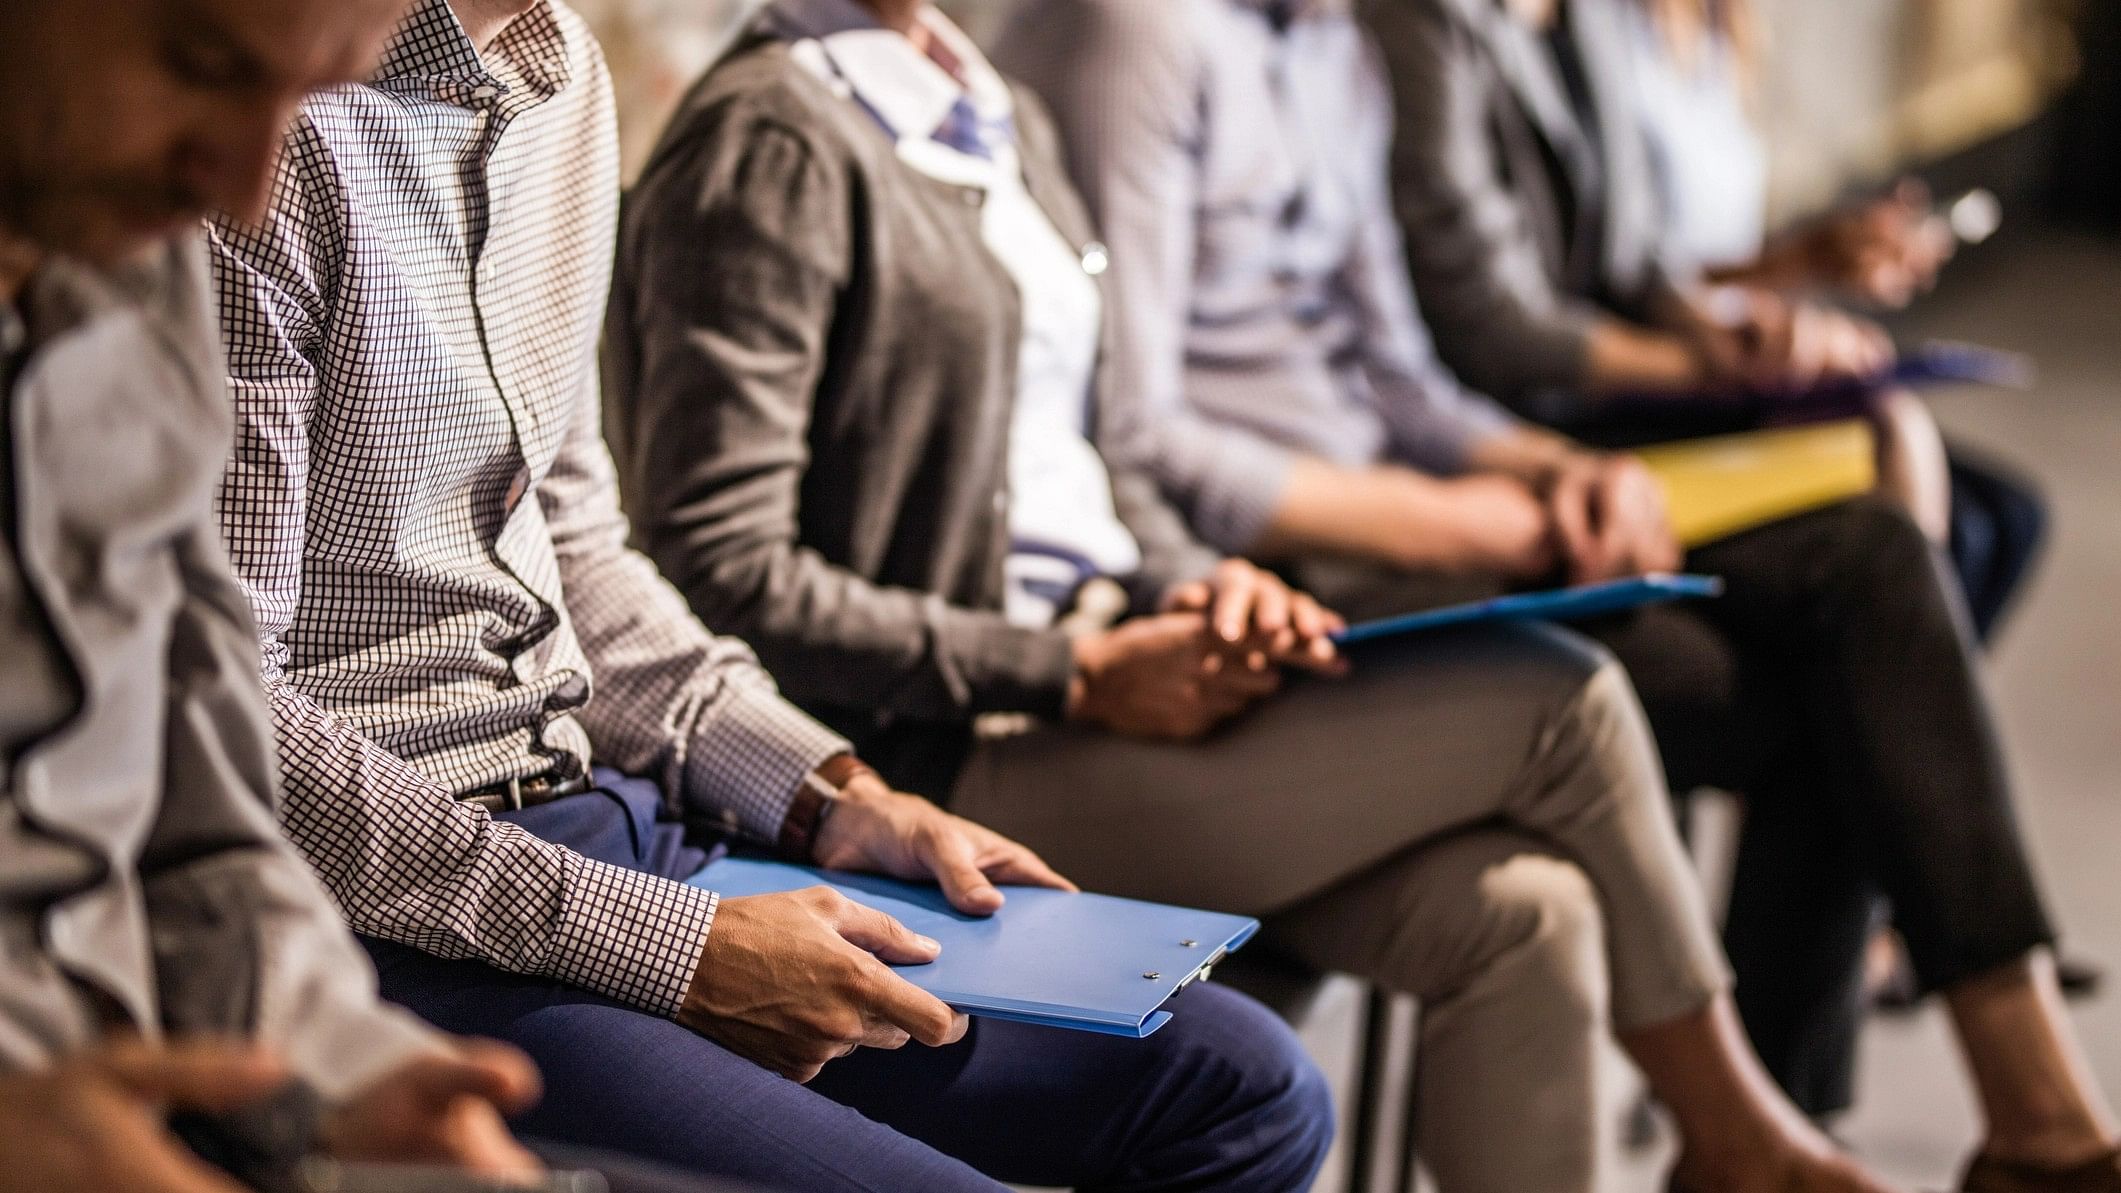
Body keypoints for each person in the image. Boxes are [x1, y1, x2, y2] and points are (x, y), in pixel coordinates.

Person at [605, 2, 1923, 1190]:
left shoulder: (978, 91)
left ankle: (1738, 1137)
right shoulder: (774, 133)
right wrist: (1068, 671)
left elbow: (1105, 458)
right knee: (1562, 701)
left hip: (1113, 667)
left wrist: (1211, 585)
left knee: (1527, 914)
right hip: (940, 754)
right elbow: (718, 562)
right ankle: (1738, 1134)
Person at [202, 0, 1335, 1189]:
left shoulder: (561, 77)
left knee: (1247, 1089)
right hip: (402, 907)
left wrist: (826, 794)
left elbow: (580, 546)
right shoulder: (272, 126)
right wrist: (671, 947)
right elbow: (234, 722)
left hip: (602, 810)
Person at [996, 1, 2121, 1188]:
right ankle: (1843, 1132)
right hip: (1283, 572)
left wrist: (1563, 471)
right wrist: (1480, 518)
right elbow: (1143, 434)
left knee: (1871, 575)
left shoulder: (1326, 42)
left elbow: (1404, 375)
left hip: (1411, 513)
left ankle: (1934, 1119)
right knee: (1845, 679)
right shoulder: (1145, 37)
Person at [0, 1, 740, 1191]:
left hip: (201, 1053)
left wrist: (348, 1076)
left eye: (296, 101)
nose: (244, 190)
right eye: (200, 66)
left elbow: (207, 808)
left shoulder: (128, 280)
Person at [1362, 0, 2045, 640]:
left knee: (1995, 508)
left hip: (1617, 370)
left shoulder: (1592, 16)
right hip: (1535, 406)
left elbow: (1637, 251)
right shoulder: (1426, 24)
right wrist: (1707, 365)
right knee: (1887, 495)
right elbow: (1492, 329)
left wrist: (1721, 334)